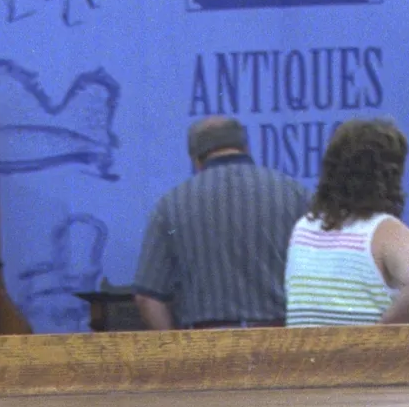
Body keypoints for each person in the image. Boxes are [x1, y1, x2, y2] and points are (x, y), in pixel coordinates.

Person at [129, 116, 307, 331]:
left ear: (195, 159)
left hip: (205, 341)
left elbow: (147, 297)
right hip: (281, 338)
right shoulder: (296, 194)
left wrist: (176, 346)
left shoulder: (170, 206)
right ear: (245, 147)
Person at [283, 118, 409, 327]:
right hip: (361, 348)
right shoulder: (387, 232)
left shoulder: (303, 227)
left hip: (304, 348)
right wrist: (379, 333)